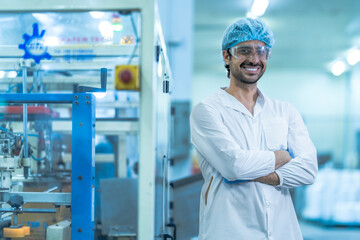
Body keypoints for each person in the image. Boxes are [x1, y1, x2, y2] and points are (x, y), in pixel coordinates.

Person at [190, 18, 318, 240]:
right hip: (230, 232)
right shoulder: (207, 110)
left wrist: (252, 172)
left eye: (261, 51)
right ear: (226, 56)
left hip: (282, 232)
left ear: (267, 56)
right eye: (244, 51)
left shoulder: (285, 111)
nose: (254, 59)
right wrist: (282, 156)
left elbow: (308, 169)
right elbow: (235, 166)